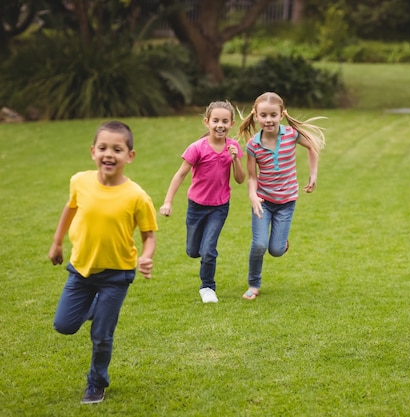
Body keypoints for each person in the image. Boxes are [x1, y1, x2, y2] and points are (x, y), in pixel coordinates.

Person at [48, 121, 158, 404]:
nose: (109, 154)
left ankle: (96, 383)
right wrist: (57, 242)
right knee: (63, 325)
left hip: (117, 275)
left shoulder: (137, 196)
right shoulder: (80, 181)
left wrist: (146, 257)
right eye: (103, 148)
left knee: (101, 335)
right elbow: (70, 209)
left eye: (117, 149)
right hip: (81, 270)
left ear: (129, 156)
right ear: (93, 151)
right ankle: (96, 307)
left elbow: (149, 236)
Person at [238, 92, 326, 300]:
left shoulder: (291, 135)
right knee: (259, 245)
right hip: (263, 202)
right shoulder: (253, 145)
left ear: (281, 115)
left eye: (273, 115)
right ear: (256, 116)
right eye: (264, 115)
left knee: (276, 250)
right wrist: (252, 196)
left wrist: (313, 174)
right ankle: (253, 284)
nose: (268, 120)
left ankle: (281, 242)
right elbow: (252, 177)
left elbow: (312, 146)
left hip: (286, 202)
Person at [160, 101, 245, 303]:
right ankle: (201, 255)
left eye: (225, 121)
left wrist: (236, 159)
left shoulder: (233, 148)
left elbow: (240, 179)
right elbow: (180, 175)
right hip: (196, 206)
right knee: (192, 251)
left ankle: (207, 287)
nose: (220, 125)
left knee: (209, 250)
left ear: (231, 123)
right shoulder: (197, 148)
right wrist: (168, 202)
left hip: (219, 207)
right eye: (215, 120)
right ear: (207, 122)